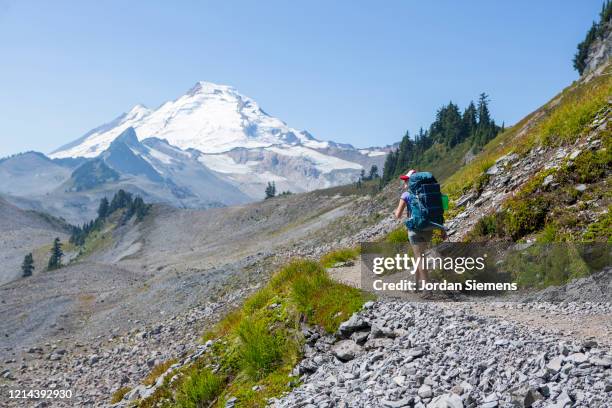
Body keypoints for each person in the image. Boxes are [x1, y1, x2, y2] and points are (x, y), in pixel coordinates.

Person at [393, 169, 446, 295]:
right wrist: (442, 229)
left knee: (419, 258)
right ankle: (416, 285)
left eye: (406, 180)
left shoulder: (406, 195)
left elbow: (398, 215)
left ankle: (427, 289)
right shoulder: (429, 192)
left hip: (415, 229)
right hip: (430, 228)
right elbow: (438, 209)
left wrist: (395, 212)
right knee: (420, 256)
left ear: (411, 181)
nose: (404, 183)